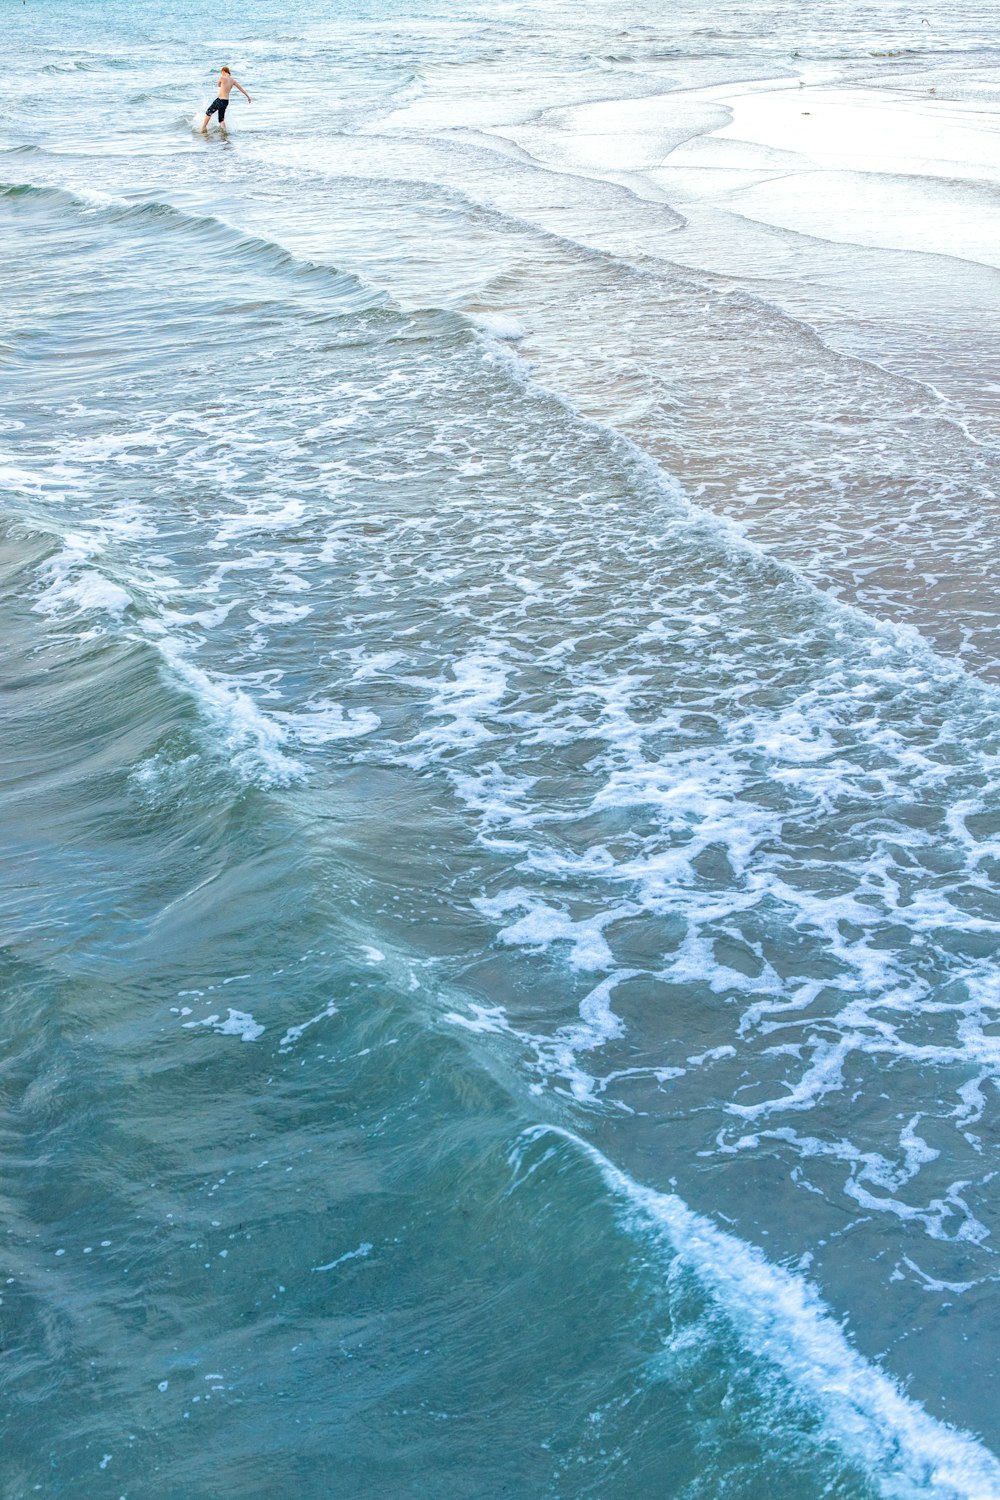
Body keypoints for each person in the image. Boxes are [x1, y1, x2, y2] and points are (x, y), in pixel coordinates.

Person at [201, 68, 251, 133]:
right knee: (221, 120)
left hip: (219, 100)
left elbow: (218, 85)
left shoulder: (222, 78)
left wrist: (221, 81)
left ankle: (203, 128)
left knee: (208, 112)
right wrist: (248, 96)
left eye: (221, 72)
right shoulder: (233, 81)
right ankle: (224, 133)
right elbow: (240, 88)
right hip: (225, 101)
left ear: (223, 71)